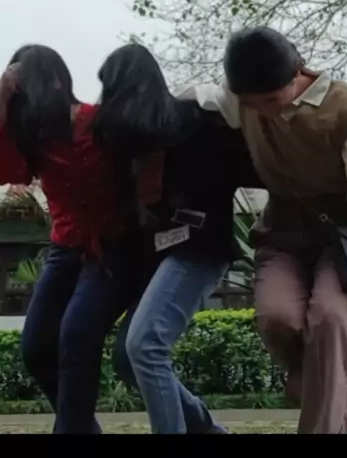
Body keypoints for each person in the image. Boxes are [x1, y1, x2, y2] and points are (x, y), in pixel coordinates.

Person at [180, 26, 347, 434]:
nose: (263, 110)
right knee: (278, 318)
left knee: (331, 320)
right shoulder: (243, 100)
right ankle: (324, 369)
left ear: (298, 73)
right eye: (252, 103)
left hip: (344, 240)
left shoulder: (346, 109)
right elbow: (194, 96)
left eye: (271, 100)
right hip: (282, 234)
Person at [95, 43, 262, 435]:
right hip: (160, 253)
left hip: (201, 247)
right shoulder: (131, 145)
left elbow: (254, 153)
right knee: (129, 357)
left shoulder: (197, 120)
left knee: (144, 345)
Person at [0, 45, 141, 434]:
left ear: (55, 85)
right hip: (65, 249)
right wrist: (2, 94)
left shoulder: (100, 124)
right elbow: (6, 171)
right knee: (36, 348)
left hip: (114, 248)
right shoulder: (35, 141)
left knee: (77, 336)